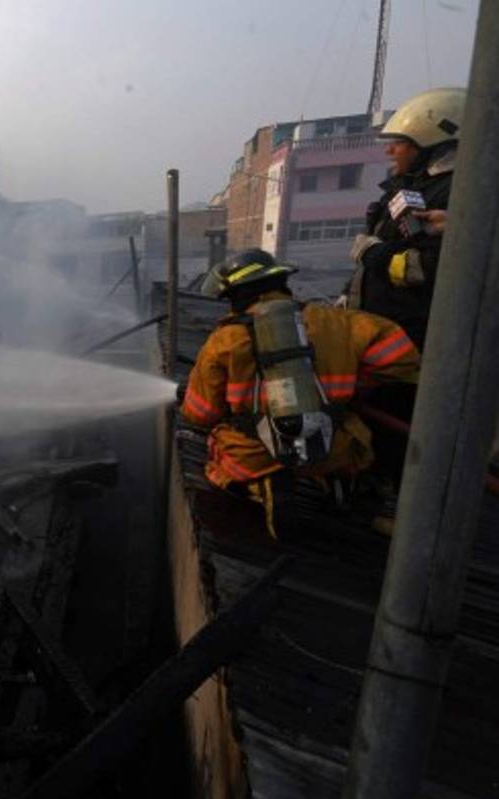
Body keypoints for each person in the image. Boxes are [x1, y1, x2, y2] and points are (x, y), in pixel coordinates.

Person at [182, 249, 420, 539]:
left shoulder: (224, 341)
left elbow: (200, 413)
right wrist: (352, 378)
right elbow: (404, 360)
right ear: (281, 283)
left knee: (222, 451)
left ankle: (268, 487)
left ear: (236, 296)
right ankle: (338, 480)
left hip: (258, 454)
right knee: (349, 436)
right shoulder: (340, 321)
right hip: (333, 445)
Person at [347, 87, 465, 351]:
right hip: (383, 334)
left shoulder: (459, 192)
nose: (389, 151)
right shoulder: (404, 187)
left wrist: (378, 257)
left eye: (398, 143)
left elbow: (439, 267)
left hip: (416, 343)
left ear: (429, 145)